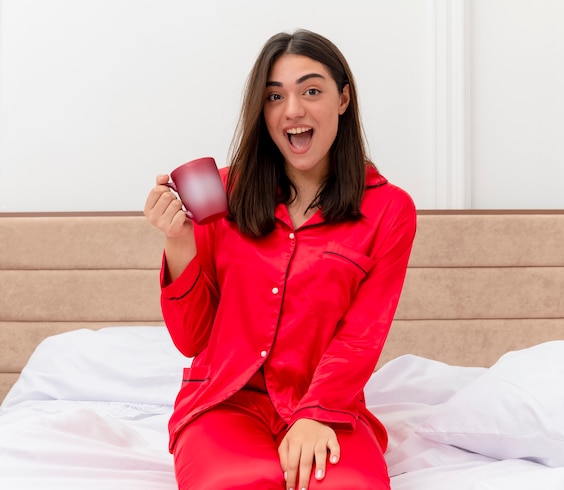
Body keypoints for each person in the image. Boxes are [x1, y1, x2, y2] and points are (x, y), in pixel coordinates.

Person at [144, 29, 416, 490]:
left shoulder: (389, 210)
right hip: (224, 401)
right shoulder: (218, 193)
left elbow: (361, 336)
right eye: (275, 96)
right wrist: (180, 242)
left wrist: (314, 414)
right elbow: (191, 339)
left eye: (312, 90)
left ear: (344, 99)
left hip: (328, 405)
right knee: (239, 482)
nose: (293, 110)